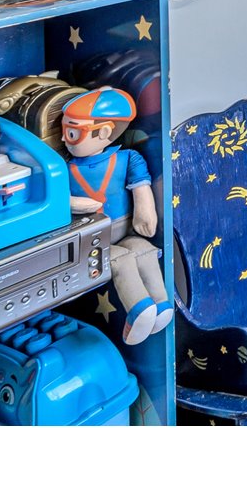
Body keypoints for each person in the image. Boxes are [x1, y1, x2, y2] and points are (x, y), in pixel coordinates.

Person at [60, 87, 172, 345]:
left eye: (73, 132)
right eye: (65, 131)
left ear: (104, 132)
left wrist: (146, 214)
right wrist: (76, 204)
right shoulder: (64, 169)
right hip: (93, 239)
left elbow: (141, 188)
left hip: (125, 229)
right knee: (120, 258)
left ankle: (161, 304)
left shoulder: (127, 158)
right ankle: (139, 308)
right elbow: (59, 200)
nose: (65, 139)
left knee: (143, 250)